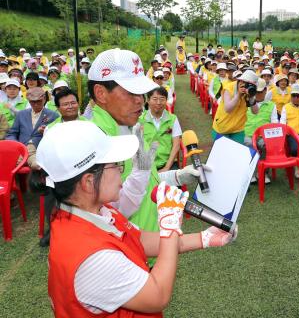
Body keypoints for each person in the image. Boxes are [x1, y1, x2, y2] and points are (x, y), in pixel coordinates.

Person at [36, 121, 237, 317]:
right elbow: (157, 296)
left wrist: (204, 238)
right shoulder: (93, 258)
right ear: (88, 182)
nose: (120, 172)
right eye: (115, 166)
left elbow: (138, 240)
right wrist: (169, 229)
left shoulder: (93, 211)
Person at [87, 48, 207, 235]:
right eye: (130, 93)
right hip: (131, 251)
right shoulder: (94, 142)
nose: (140, 101)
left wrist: (178, 176)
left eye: (141, 93)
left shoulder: (131, 127)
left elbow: (147, 181)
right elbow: (108, 215)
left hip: (149, 241)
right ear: (101, 93)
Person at [6, 87, 59, 170]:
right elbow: (12, 133)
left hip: (39, 150)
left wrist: (45, 131)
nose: (35, 104)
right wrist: (16, 145)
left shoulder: (53, 115)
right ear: (28, 101)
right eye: (32, 102)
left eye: (38, 101)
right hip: (21, 148)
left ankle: (23, 161)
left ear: (44, 99)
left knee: (36, 165)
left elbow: (56, 136)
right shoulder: (21, 114)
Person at [140, 86, 182, 172]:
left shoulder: (172, 119)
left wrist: (166, 167)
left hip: (168, 163)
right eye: (155, 99)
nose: (158, 103)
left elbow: (176, 145)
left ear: (166, 100)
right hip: (146, 166)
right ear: (148, 100)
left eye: (162, 99)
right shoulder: (140, 120)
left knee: (174, 185)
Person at [212, 70, 259, 143]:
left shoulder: (250, 91)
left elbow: (255, 112)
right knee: (222, 153)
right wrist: (238, 95)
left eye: (250, 85)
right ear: (240, 80)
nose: (243, 85)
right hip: (223, 127)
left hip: (238, 129)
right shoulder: (229, 88)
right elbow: (228, 109)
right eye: (243, 82)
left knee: (236, 153)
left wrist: (251, 97)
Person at [244, 78, 275, 184]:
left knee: (267, 145)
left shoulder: (271, 105)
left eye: (260, 92)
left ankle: (263, 172)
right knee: (248, 144)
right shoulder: (247, 103)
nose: (257, 94)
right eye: (255, 92)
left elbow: (274, 122)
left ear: (265, 90)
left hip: (263, 136)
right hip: (248, 133)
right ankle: (250, 172)